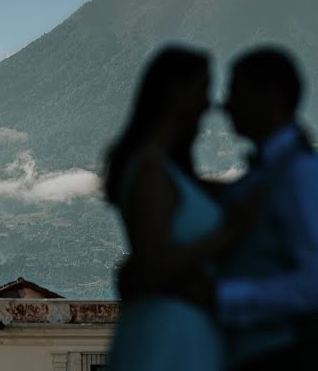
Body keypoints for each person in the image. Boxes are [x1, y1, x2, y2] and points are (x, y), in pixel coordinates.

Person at [104, 46, 259, 371]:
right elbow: (153, 260)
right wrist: (227, 234)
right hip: (165, 332)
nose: (209, 103)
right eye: (202, 89)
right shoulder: (150, 171)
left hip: (182, 329)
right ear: (177, 91)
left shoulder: (169, 172)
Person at [216, 47, 318, 370]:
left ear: (270, 97)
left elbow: (316, 280)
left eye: (235, 92)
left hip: (287, 356)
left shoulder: (302, 173)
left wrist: (222, 296)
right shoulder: (271, 171)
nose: (224, 105)